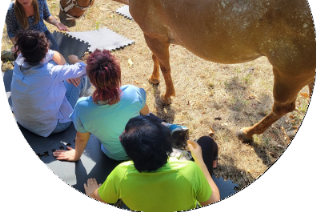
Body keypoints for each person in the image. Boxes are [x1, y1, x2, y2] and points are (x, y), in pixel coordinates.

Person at [53, 49, 188, 162]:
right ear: (117, 75)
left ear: (92, 81)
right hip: (141, 148)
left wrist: (76, 156)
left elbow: (82, 138)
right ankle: (167, 128)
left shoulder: (82, 107)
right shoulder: (133, 92)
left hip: (114, 156)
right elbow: (147, 116)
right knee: (146, 117)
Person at [84, 115, 220, 212]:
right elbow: (214, 202)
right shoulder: (189, 171)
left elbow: (101, 198)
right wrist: (200, 161)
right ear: (167, 145)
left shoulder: (121, 173)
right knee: (206, 142)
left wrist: (92, 193)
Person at [11, 30, 89, 137]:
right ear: (46, 49)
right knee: (78, 78)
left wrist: (65, 67)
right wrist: (75, 60)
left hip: (22, 121)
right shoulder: (51, 72)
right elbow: (84, 69)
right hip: (51, 127)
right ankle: (81, 99)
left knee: (56, 64)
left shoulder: (19, 61)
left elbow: (52, 55)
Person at [5, 0, 69, 52]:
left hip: (42, 33)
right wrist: (17, 45)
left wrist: (56, 23)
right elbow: (11, 31)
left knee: (55, 51)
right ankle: (9, 54)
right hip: (25, 39)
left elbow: (47, 15)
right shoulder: (11, 10)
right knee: (33, 60)